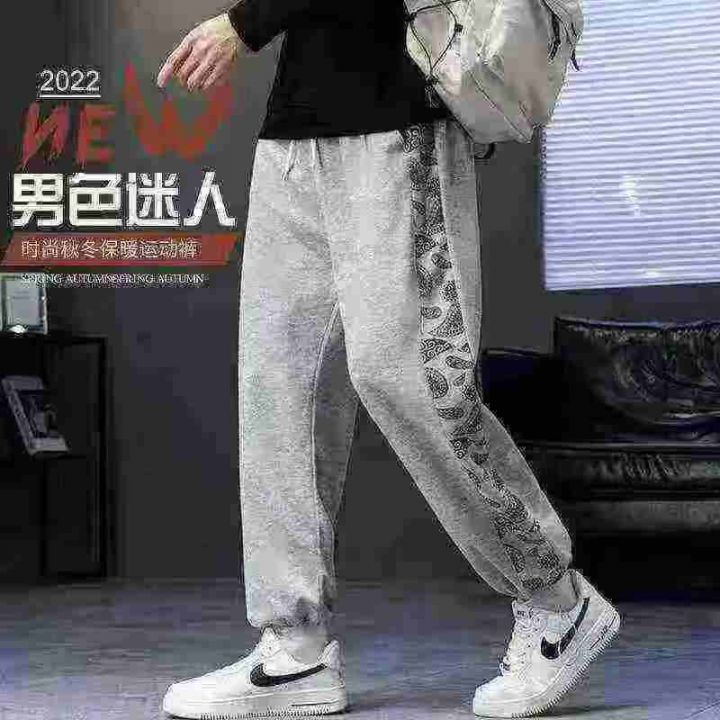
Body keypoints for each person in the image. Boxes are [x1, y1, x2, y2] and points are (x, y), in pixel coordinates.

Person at [156, 2, 621, 718]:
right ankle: (295, 649)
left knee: (411, 381)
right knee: (279, 388)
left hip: (397, 118)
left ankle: (558, 601)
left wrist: (247, 22)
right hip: (293, 133)